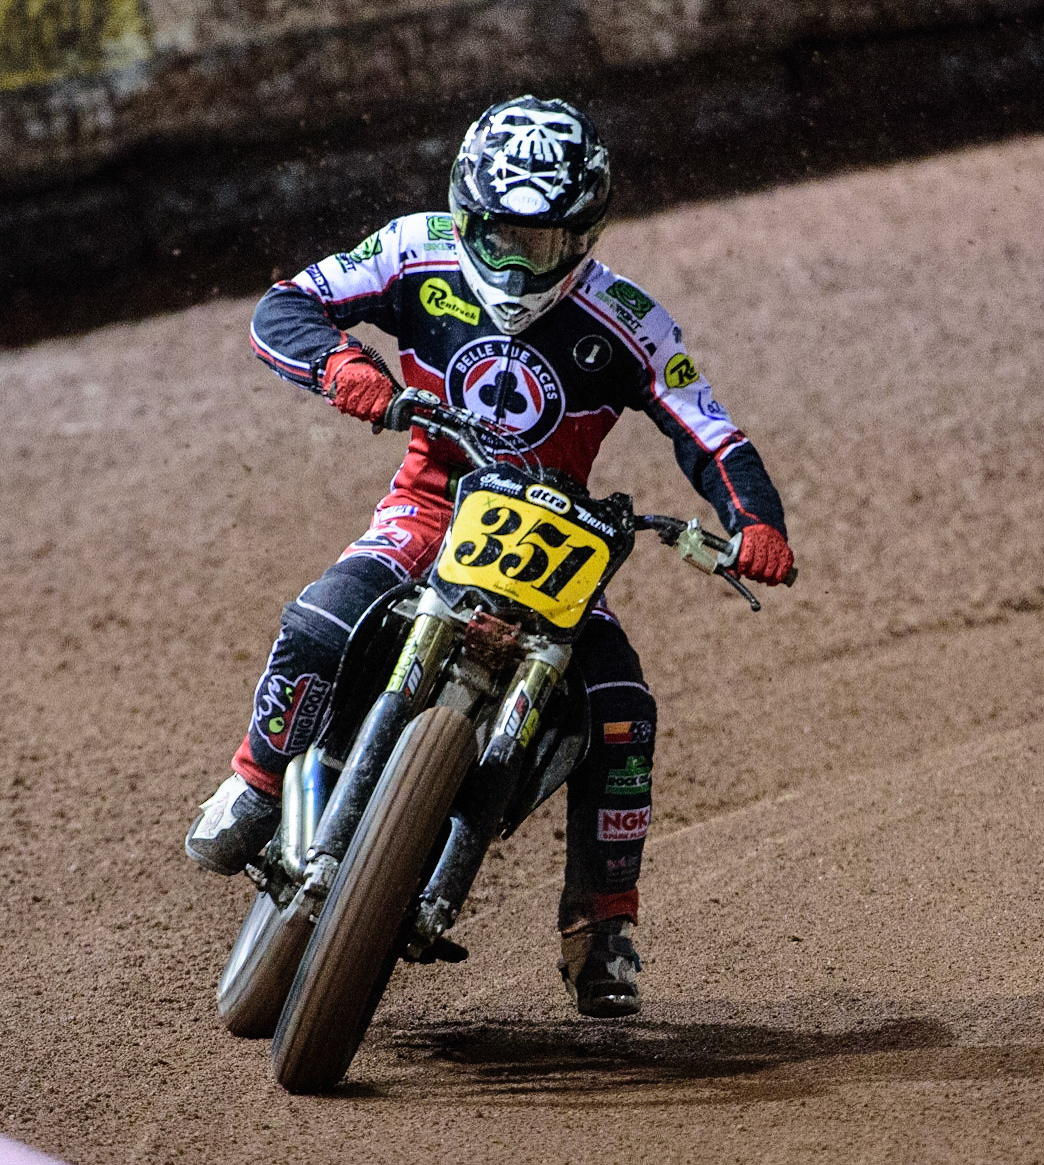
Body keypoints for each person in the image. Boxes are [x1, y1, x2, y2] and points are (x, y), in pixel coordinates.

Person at [186, 96, 793, 1018]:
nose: (518, 262)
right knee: (320, 616)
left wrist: (754, 517)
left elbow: (708, 430)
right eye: (501, 236)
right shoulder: (413, 248)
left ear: (585, 235)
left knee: (623, 710)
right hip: (430, 505)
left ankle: (601, 926)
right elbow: (286, 305)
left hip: (558, 542)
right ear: (466, 212)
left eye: (546, 244)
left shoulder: (629, 319)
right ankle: (257, 783)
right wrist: (346, 369)